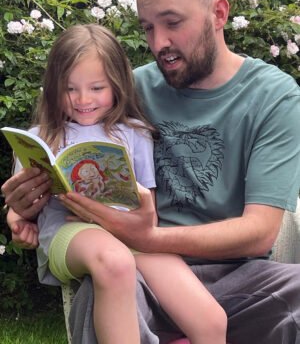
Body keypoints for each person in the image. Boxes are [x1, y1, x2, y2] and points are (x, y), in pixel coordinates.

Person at [2, 0, 300, 344]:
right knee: (108, 280)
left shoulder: (274, 97)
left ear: (219, 14)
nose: (159, 43)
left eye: (173, 23)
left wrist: (150, 239)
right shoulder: (124, 91)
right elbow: (53, 151)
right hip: (139, 275)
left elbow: (260, 232)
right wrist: (19, 209)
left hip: (236, 277)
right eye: (148, 28)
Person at [4, 23, 228, 344]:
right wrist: (17, 222)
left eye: (97, 88)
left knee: (210, 319)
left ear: (117, 84)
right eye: (70, 89)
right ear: (54, 87)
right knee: (115, 262)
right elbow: (18, 208)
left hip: (130, 232)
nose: (83, 99)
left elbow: (147, 211)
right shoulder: (41, 138)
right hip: (71, 232)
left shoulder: (134, 133)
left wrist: (131, 211)